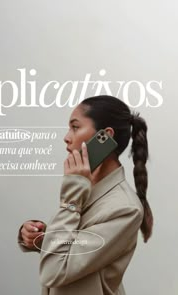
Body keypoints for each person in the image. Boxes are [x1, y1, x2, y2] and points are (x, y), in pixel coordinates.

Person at [17, 95, 153, 295]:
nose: (66, 137)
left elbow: (54, 271)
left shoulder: (125, 208)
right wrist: (41, 237)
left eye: (75, 127)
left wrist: (70, 198)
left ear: (104, 136)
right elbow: (74, 251)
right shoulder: (85, 185)